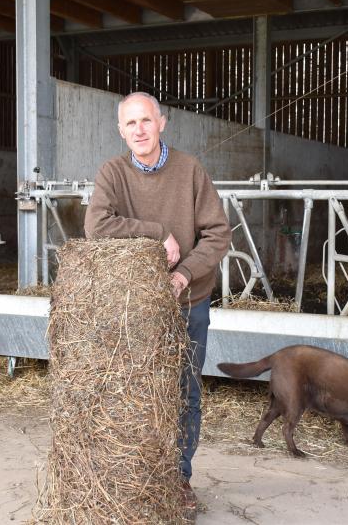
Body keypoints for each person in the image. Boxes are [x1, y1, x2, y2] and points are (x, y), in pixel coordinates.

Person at [84, 91, 231, 510]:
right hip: (132, 308)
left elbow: (219, 234)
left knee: (184, 391)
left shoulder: (190, 171)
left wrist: (184, 272)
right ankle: (137, 473)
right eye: (130, 124)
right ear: (120, 131)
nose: (139, 130)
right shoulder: (112, 173)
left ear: (162, 122)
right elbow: (95, 226)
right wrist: (156, 232)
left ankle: (179, 477)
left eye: (146, 121)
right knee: (133, 391)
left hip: (188, 303)